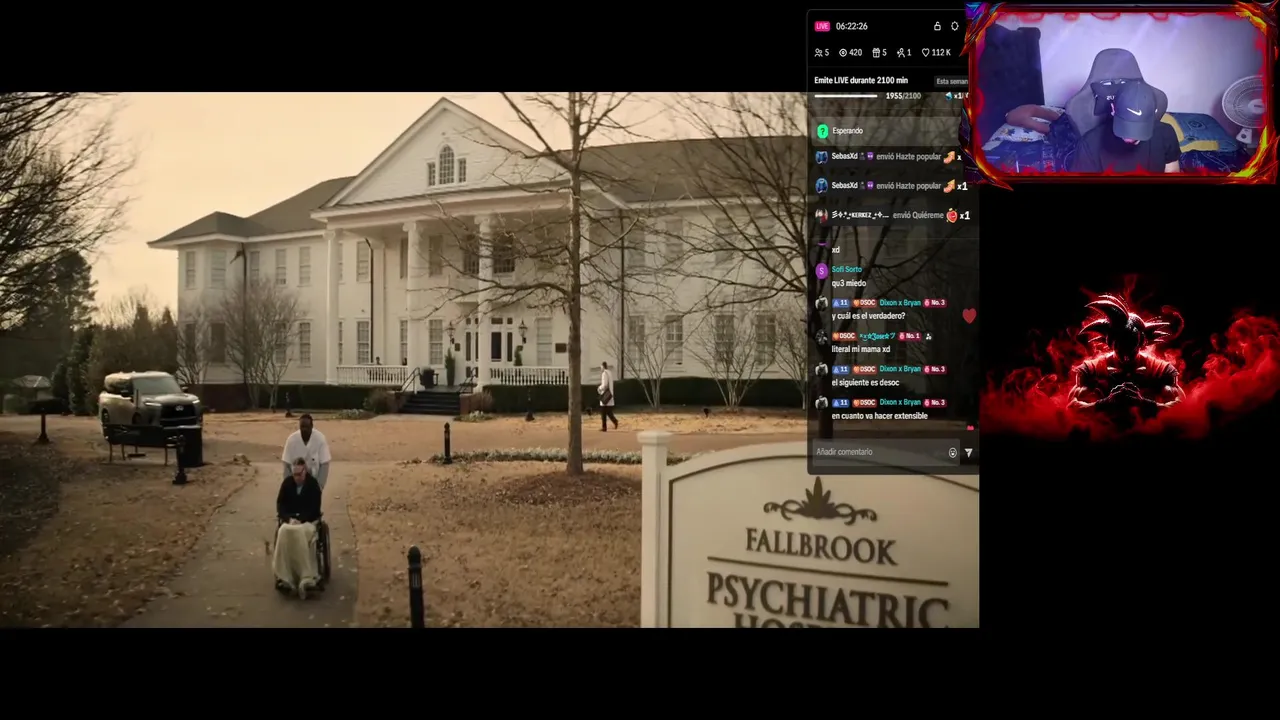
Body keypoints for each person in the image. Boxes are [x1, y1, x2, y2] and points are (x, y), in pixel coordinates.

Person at [1070, 83, 1180, 174]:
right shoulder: (1089, 145)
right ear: (1113, 109)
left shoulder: (1166, 134)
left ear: (1154, 113)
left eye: (1138, 126)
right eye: (1126, 124)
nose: (1130, 136)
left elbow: (1172, 171)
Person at [274, 458, 323, 598]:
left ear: (305, 471)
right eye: (294, 474)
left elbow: (315, 509)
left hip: (307, 522)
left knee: (300, 533)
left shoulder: (313, 485)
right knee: (283, 531)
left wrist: (300, 519)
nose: (296, 478)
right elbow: (280, 506)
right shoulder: (287, 484)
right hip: (290, 522)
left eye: (299, 474)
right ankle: (285, 577)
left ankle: (306, 577)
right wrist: (289, 519)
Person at [282, 413, 332, 490]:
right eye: (302, 427)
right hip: (295, 482)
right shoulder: (291, 440)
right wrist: (288, 486)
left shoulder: (320, 439)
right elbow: (286, 465)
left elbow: (324, 464)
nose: (304, 429)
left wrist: (319, 486)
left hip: (314, 482)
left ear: (312, 427)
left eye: (307, 427)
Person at [598, 361, 618, 432]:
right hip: (610, 394)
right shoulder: (609, 373)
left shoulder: (604, 373)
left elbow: (605, 384)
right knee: (608, 411)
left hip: (605, 395)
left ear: (603, 366)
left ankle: (604, 427)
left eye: (601, 367)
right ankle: (615, 421)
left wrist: (599, 388)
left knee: (603, 411)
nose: (600, 368)